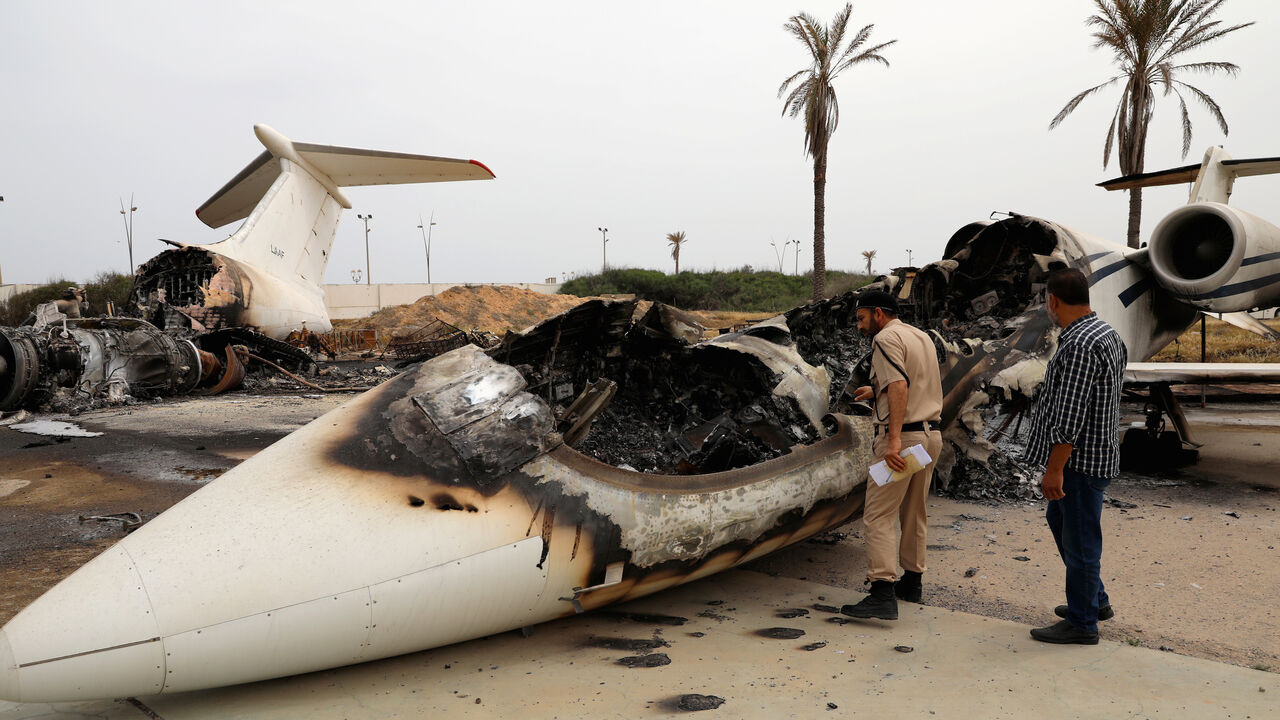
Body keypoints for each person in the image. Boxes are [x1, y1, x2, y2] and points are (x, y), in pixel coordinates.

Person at [1025, 267, 1127, 645]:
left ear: (1052, 301)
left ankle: (1083, 624)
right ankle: (1094, 600)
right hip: (1096, 456)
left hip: (1080, 464)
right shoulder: (1105, 333)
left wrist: (1055, 471)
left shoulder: (1080, 344)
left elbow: (1070, 417)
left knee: (1081, 542)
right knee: (1062, 522)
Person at [841, 290, 944, 621]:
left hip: (903, 440)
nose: (859, 326)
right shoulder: (920, 336)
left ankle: (882, 591)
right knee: (914, 511)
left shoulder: (884, 339)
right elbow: (915, 381)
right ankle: (912, 582)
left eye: (861, 318)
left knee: (878, 514)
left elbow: (900, 386)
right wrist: (876, 389)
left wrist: (893, 442)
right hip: (930, 437)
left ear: (879, 314)